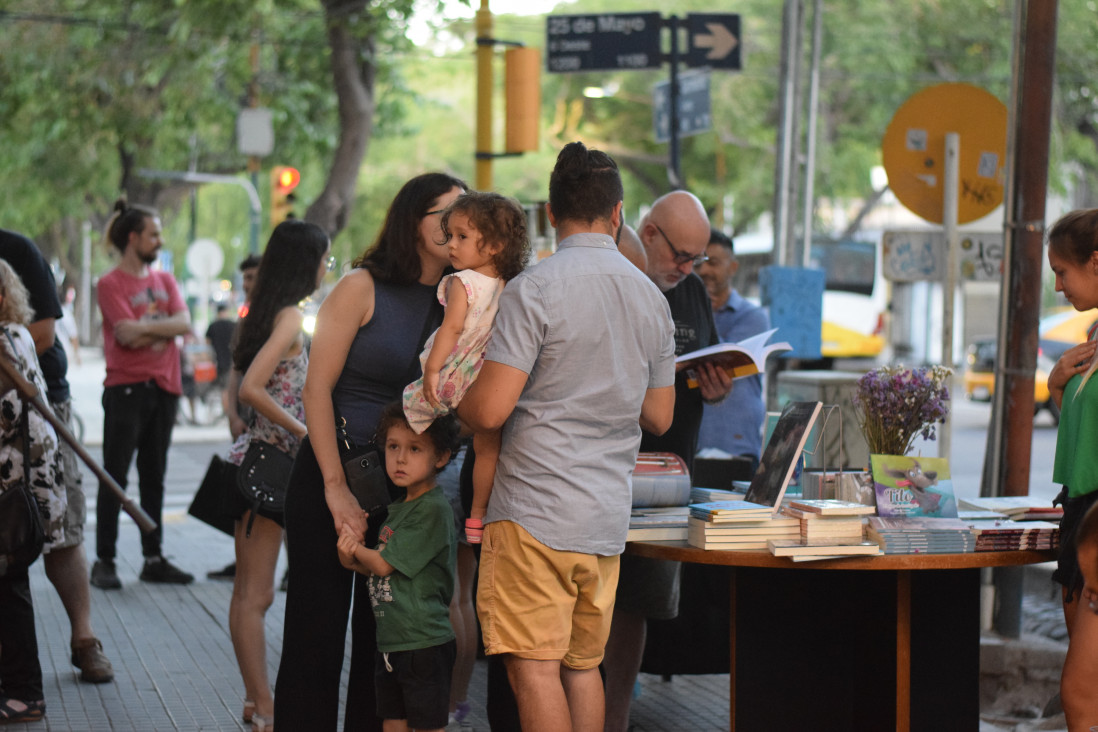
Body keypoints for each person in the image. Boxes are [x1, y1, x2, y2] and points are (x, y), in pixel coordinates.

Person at [458, 141, 676, 731]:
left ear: (550, 213)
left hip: (533, 513)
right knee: (584, 668)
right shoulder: (651, 299)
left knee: (534, 671)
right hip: (604, 519)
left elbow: (491, 411)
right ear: (618, 213)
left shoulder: (535, 289)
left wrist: (451, 387)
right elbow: (660, 417)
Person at [274, 172, 467, 731]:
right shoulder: (362, 286)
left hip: (403, 491)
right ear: (412, 220)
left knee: (384, 645)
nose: (455, 228)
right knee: (315, 636)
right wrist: (335, 489)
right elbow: (316, 389)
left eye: (463, 219)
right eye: (443, 215)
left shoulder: (462, 301)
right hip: (331, 473)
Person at [604, 192, 733, 732]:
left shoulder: (692, 294)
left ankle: (616, 719)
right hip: (605, 471)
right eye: (681, 255)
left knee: (638, 605)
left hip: (668, 477)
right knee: (592, 604)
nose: (687, 268)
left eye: (698, 259)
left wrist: (717, 383)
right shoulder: (612, 280)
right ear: (648, 232)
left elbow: (712, 359)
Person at [222, 220, 330, 732]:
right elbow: (250, 388)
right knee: (256, 595)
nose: (326, 267)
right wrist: (302, 430)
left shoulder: (265, 312)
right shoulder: (289, 316)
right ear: (304, 263)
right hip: (271, 463)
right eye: (323, 258)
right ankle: (263, 704)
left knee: (248, 591)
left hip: (258, 460)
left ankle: (254, 700)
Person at [0, 229, 114, 683]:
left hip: (36, 414)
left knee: (58, 530)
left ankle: (84, 640)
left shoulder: (14, 251)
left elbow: (42, 333)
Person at [402, 191, 529, 543]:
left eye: (462, 237)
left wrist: (431, 371)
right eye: (451, 236)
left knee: (415, 424)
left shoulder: (464, 283)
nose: (452, 246)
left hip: (455, 373)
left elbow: (452, 328)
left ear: (493, 246)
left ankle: (411, 505)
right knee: (487, 449)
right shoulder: (510, 285)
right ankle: (477, 517)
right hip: (486, 375)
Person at [336, 402, 460, 732]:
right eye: (393, 447)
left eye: (414, 448)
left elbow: (382, 564)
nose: (400, 459)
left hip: (424, 644)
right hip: (393, 643)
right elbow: (374, 568)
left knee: (426, 726)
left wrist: (357, 550)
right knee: (392, 723)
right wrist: (349, 554)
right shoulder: (398, 509)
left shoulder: (432, 509)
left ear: (442, 457)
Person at [92, 198, 194, 589]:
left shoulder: (165, 280)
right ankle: (105, 559)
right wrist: (163, 327)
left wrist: (148, 328)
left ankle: (153, 557)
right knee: (114, 476)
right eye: (153, 234)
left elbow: (184, 322)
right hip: (126, 391)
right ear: (133, 238)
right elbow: (124, 334)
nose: (159, 240)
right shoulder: (109, 284)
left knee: (155, 477)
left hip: (165, 388)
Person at [0, 259, 63, 723]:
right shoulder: (19, 335)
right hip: (24, 486)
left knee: (9, 588)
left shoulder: (6, 342)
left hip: (10, 491)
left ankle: (24, 693)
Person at [1045, 208, 1098, 729]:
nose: (1057, 285)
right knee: (1083, 693)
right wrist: (1057, 386)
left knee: (1081, 693)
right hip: (1079, 514)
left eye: (1062, 271)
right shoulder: (1094, 332)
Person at [696, 228, 771, 469]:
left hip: (737, 449)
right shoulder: (680, 313)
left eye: (714, 263)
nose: (704, 270)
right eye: (698, 263)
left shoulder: (752, 317)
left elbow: (718, 362)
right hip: (692, 449)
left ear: (733, 268)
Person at [209, 254, 261, 583]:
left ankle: (284, 566)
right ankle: (241, 559)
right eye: (245, 280)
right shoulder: (245, 321)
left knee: (275, 495)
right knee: (243, 494)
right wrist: (231, 412)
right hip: (244, 421)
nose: (247, 285)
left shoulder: (284, 318)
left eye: (253, 277)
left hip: (269, 425)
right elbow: (236, 370)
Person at [206, 302, 236, 390]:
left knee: (223, 388)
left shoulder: (212, 326)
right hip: (232, 361)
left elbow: (207, 343)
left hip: (218, 361)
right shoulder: (233, 325)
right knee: (230, 388)